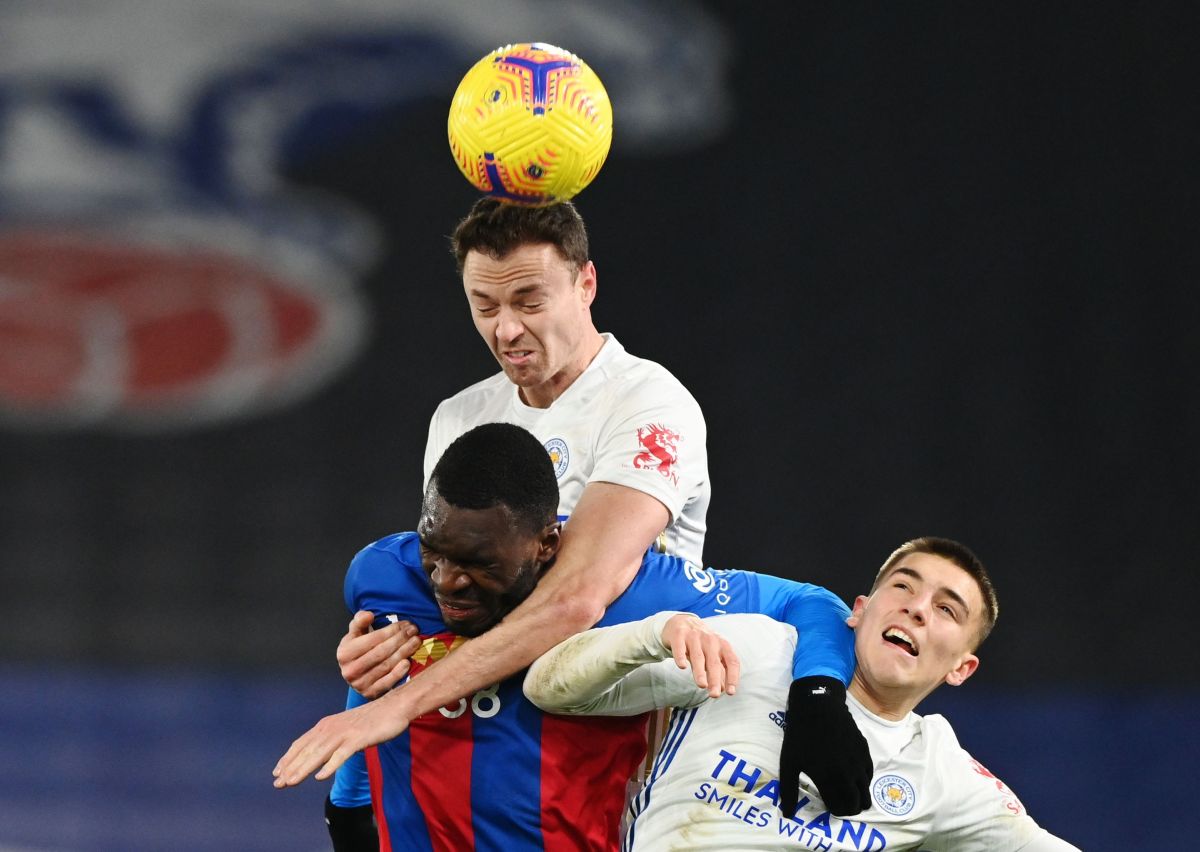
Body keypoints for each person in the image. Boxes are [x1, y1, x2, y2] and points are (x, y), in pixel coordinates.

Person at [290, 198, 871, 841]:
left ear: (586, 283)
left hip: (604, 761)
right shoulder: (458, 417)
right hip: (480, 763)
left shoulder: (648, 403)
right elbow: (450, 588)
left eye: (530, 302)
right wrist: (381, 652)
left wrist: (393, 708)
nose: (506, 330)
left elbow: (576, 599)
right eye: (485, 306)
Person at [276, 422, 870, 850]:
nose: (447, 583)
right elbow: (375, 692)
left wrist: (819, 701)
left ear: (547, 546)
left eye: (480, 562)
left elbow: (810, 602)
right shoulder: (384, 574)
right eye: (435, 551)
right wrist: (348, 811)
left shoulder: (635, 590)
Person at [524, 537, 1081, 851]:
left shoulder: (940, 772)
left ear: (962, 667)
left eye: (946, 609)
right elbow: (548, 687)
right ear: (859, 611)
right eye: (904, 587)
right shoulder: (754, 646)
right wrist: (657, 631)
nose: (916, 607)